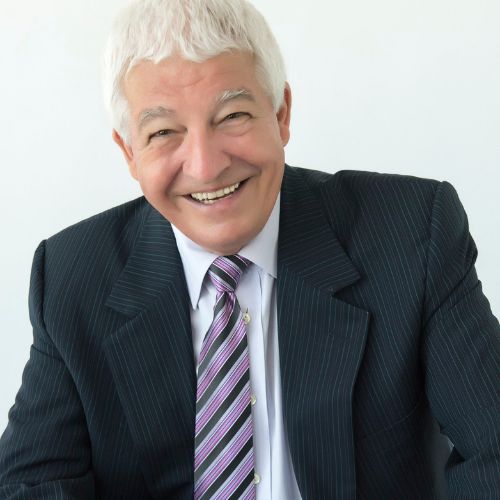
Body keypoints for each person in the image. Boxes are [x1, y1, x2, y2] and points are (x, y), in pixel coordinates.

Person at [1, 0, 499, 498]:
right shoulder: (71, 279)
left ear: (281, 114)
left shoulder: (411, 234)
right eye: (163, 132)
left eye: (232, 115)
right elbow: (31, 485)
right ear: (130, 151)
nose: (205, 166)